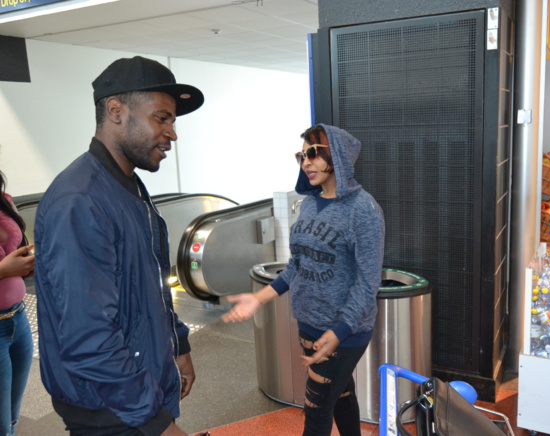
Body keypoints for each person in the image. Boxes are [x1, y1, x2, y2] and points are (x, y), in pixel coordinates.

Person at [34, 56, 204, 436]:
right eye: (161, 117)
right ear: (115, 110)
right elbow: (87, 336)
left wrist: (178, 344)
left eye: (172, 120)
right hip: (111, 409)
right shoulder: (81, 201)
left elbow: (149, 283)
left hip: (138, 389)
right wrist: (156, 423)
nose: (172, 133)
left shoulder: (129, 187)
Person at [223, 124, 385, 436]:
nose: (306, 162)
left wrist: (337, 333)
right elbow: (298, 264)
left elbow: (368, 284)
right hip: (310, 324)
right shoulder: (310, 203)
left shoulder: (363, 211)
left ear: (337, 157)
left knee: (316, 410)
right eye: (302, 155)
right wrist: (259, 298)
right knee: (341, 395)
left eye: (314, 153)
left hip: (345, 331)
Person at [0, 170, 34, 436]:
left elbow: (16, 247)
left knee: (12, 415)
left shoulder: (4, 200)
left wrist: (26, 264)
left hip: (18, 318)